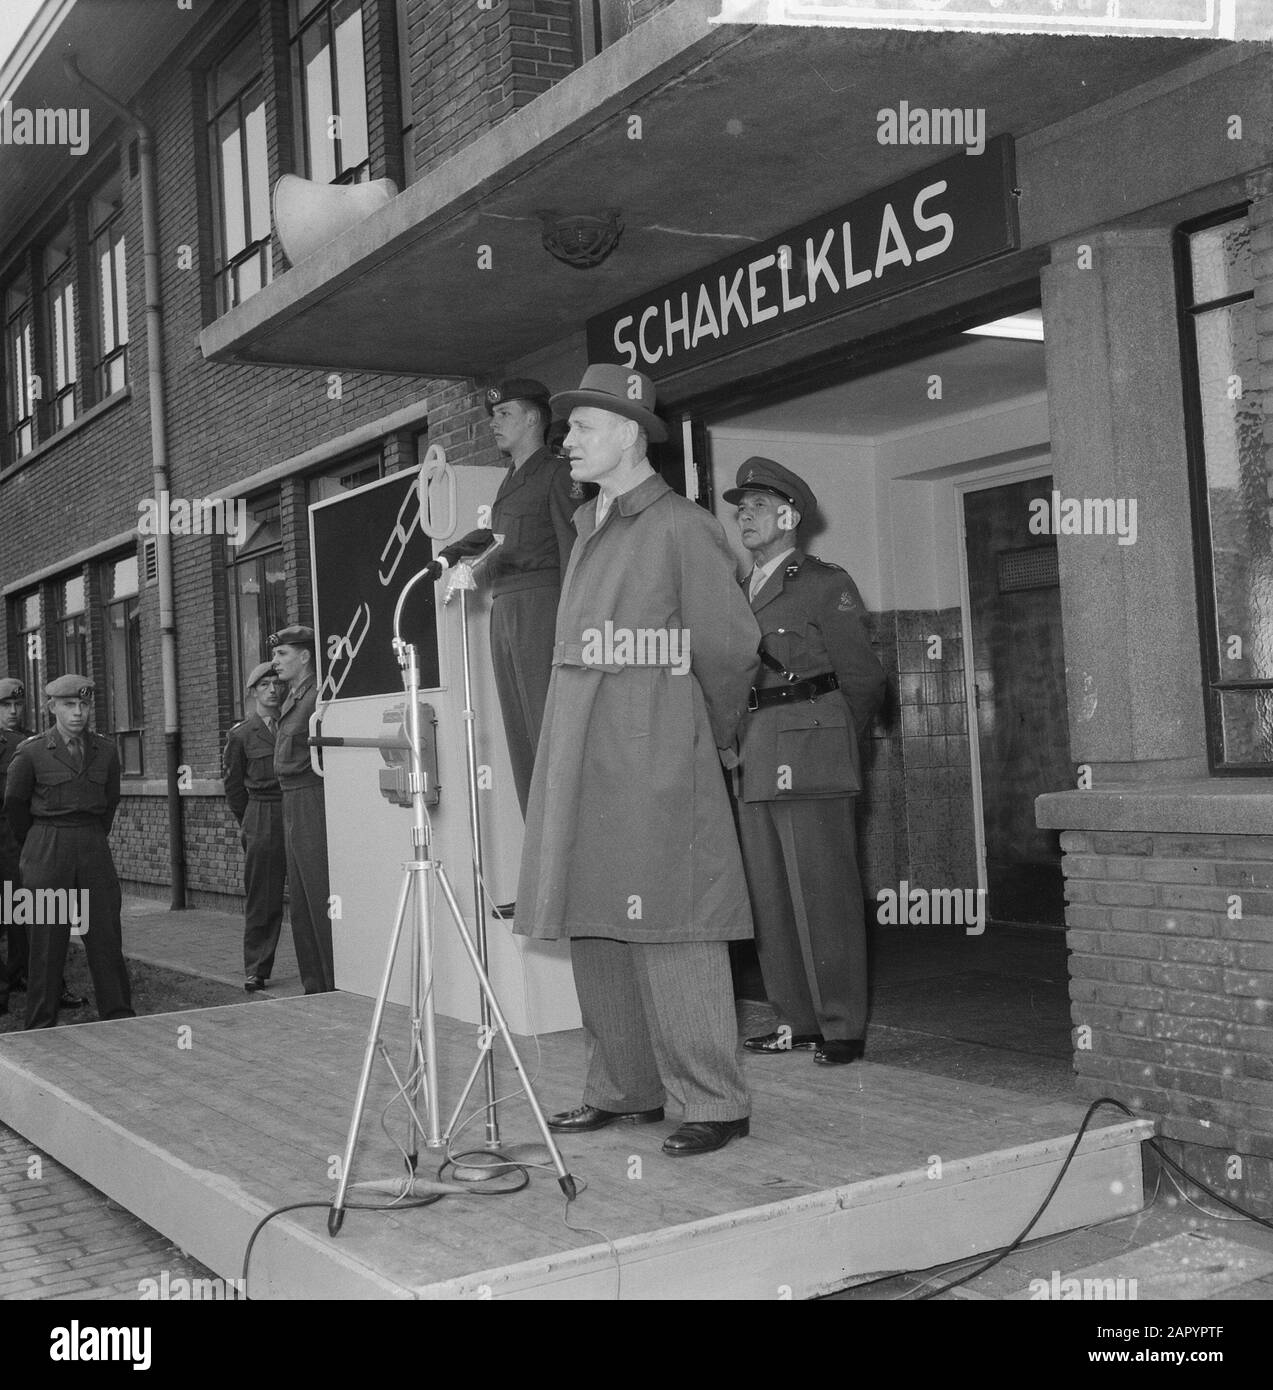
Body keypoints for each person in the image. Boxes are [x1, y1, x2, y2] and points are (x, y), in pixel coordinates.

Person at [516, 364, 761, 1157]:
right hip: (584, 755)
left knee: (675, 922)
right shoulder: (590, 524)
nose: (568, 440)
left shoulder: (682, 526)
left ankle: (714, 1102)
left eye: (582, 427)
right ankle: (625, 1089)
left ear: (626, 432)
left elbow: (728, 650)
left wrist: (700, 740)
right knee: (595, 920)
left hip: (656, 755)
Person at [726, 458, 886, 1066]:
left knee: (824, 893)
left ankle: (842, 1024)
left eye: (759, 506)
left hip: (811, 752)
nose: (745, 515)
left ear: (790, 517)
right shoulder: (738, 589)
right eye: (741, 507)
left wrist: (832, 739)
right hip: (754, 754)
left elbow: (864, 678)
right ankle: (797, 1020)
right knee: (771, 898)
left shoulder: (823, 582)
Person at [4, 675, 134, 1029]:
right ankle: (41, 1023)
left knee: (105, 934)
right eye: (69, 705)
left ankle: (119, 1017)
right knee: (46, 940)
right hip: (46, 847)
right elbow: (14, 805)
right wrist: (38, 843)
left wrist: (90, 836)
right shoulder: (31, 752)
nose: (78, 712)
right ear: (52, 708)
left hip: (92, 846)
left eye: (84, 704)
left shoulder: (105, 750)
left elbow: (110, 801)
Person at [270, 626, 334, 995]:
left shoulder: (319, 695)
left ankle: (332, 980)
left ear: (305, 657)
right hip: (291, 798)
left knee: (318, 888)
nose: (275, 662)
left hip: (311, 796)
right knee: (300, 897)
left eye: (283, 655)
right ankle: (314, 984)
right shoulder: (294, 696)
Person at [223, 662, 286, 992]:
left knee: (309, 892)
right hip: (261, 814)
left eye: (277, 683)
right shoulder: (241, 735)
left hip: (296, 809)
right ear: (253, 692)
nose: (273, 690)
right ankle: (256, 968)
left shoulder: (293, 724)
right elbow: (233, 786)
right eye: (265, 686)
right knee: (263, 896)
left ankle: (321, 968)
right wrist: (250, 822)